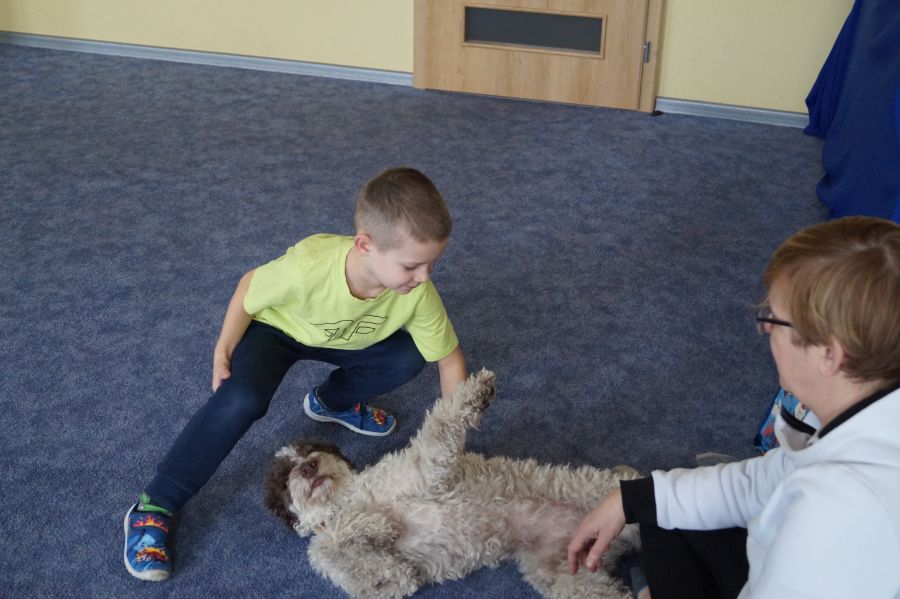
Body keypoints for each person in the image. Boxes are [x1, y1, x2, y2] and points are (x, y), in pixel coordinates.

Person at [124, 167, 468, 581]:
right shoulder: (309, 266)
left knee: (410, 357)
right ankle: (155, 504)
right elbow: (249, 287)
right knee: (241, 398)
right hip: (278, 331)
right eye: (412, 266)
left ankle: (332, 402)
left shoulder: (417, 292)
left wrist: (450, 445)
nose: (425, 277)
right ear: (365, 245)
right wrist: (224, 348)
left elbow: (449, 361)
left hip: (348, 338)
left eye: (431, 264)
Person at [567, 216, 900, 599]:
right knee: (658, 509)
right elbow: (767, 480)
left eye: (775, 320)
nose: (767, 329)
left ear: (830, 355)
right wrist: (631, 499)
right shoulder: (860, 406)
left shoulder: (835, 517)